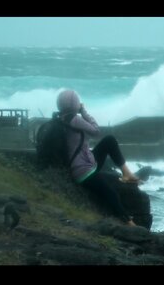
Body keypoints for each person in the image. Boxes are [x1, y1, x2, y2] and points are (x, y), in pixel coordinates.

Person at [56, 90, 140, 226]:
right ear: (74, 104)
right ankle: (129, 224)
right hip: (83, 171)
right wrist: (83, 111)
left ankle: (127, 174)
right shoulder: (74, 119)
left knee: (109, 140)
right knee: (111, 193)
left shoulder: (62, 118)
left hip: (83, 163)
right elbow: (95, 131)